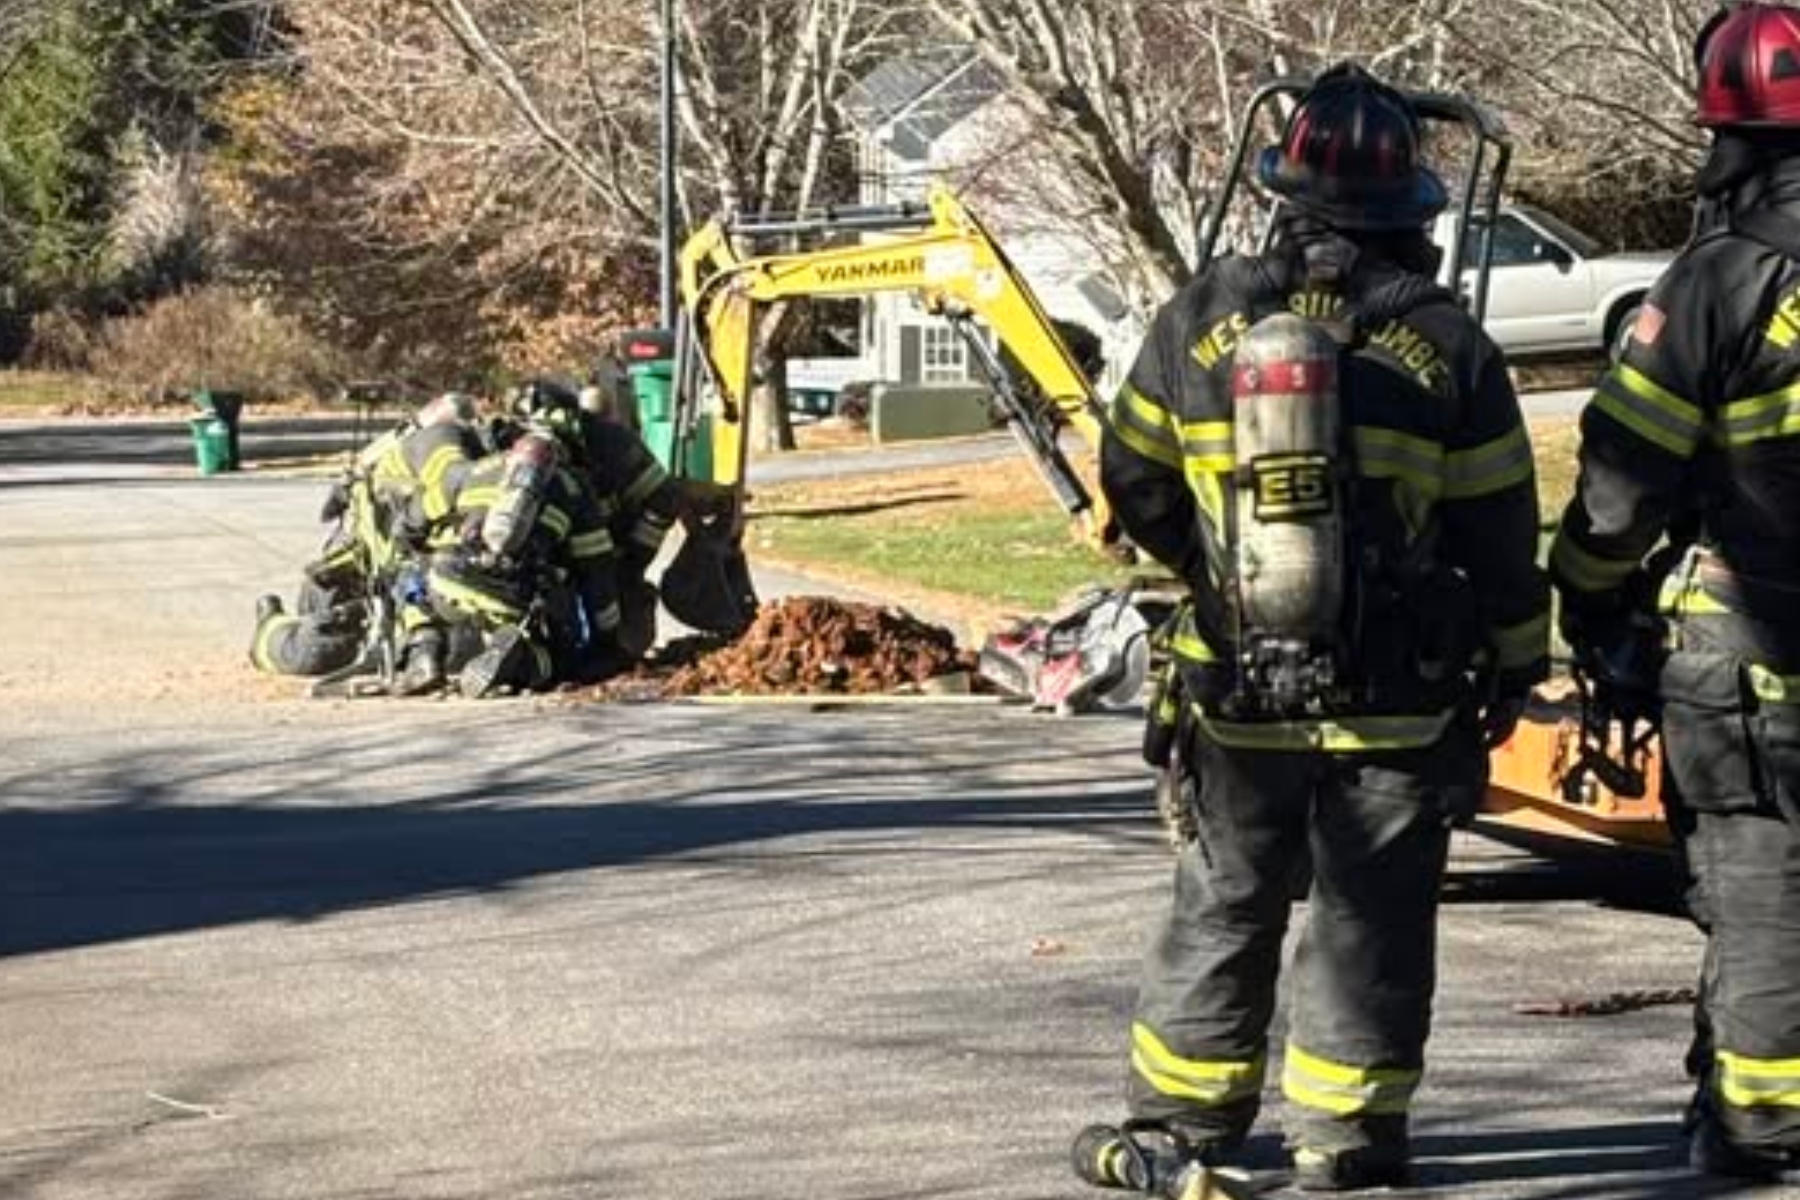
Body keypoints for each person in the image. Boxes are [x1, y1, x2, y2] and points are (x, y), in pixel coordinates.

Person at [1078, 64, 1547, 1193]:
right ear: (1411, 212)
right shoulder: (1448, 340)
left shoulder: (1198, 315)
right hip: (1397, 700)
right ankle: (1344, 1141)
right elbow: (1498, 530)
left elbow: (1130, 478)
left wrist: (1214, 570)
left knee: (1225, 901)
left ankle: (1182, 1129)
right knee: (1369, 920)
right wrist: (1519, 662)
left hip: (1238, 692)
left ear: (1279, 190)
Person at [1548, 3, 1800, 1182]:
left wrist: (1589, 596)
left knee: (1761, 890)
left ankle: (1763, 1122)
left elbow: (1623, 483)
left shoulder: (1718, 282)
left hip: (1760, 649)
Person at [412, 426, 628, 697]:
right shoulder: (573, 486)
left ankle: (424, 654)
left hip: (448, 577)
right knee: (564, 659)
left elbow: (413, 523)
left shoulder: (473, 469)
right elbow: (597, 570)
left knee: (409, 576)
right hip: (520, 591)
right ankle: (522, 660)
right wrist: (607, 638)